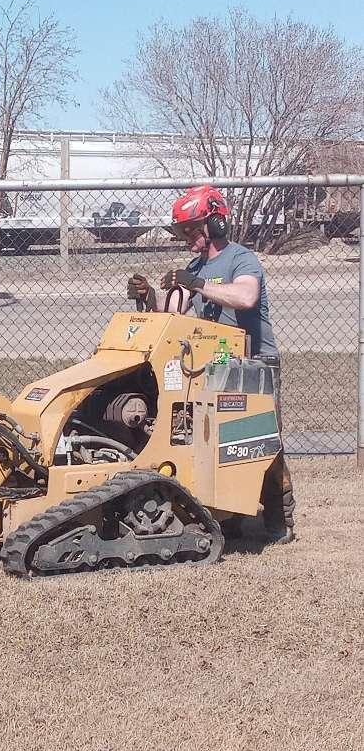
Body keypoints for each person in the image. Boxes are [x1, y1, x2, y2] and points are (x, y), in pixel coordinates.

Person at [127, 184, 295, 543]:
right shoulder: (196, 266)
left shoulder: (241, 259)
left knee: (262, 440)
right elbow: (175, 313)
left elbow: (246, 296)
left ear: (216, 224)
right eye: (183, 231)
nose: (187, 237)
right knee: (220, 444)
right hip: (216, 363)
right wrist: (150, 296)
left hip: (254, 361)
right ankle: (229, 514)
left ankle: (280, 518)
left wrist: (198, 283)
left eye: (192, 229)